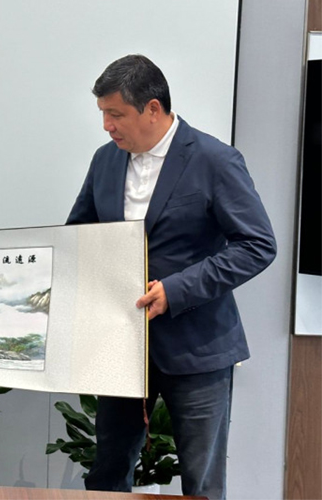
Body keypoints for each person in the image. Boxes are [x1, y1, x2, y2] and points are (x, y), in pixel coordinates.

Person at [66, 55, 276, 499]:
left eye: (115, 114)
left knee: (201, 485)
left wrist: (176, 290)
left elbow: (257, 245)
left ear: (153, 109)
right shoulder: (105, 161)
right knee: (106, 477)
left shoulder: (215, 160)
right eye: (103, 114)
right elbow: (80, 236)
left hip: (198, 349)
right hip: (122, 348)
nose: (106, 126)